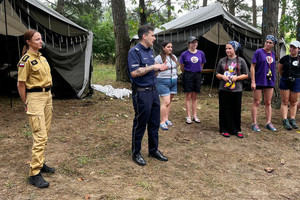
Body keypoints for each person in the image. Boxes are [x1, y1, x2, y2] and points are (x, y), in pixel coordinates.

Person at [17, 29, 55, 188]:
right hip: (35, 99)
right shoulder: (25, 60)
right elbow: (21, 84)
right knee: (39, 135)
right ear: (29, 42)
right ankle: (34, 173)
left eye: (41, 39)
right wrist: (27, 103)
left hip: (47, 97)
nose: (41, 41)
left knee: (45, 133)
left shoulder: (43, 59)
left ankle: (40, 162)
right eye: (37, 39)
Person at [127, 25, 168, 166]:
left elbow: (150, 71)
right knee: (140, 123)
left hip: (153, 90)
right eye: (153, 35)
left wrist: (159, 69)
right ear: (145, 36)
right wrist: (153, 67)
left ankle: (153, 150)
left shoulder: (150, 51)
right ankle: (136, 153)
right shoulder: (134, 52)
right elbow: (134, 73)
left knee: (154, 123)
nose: (154, 38)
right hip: (141, 93)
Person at [216, 41, 249, 138]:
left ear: (235, 49)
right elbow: (217, 73)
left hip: (236, 89)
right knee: (224, 109)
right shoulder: (222, 60)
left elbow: (246, 74)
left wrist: (237, 78)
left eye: (230, 48)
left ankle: (236, 129)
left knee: (236, 109)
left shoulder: (241, 61)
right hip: (224, 89)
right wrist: (222, 77)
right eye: (226, 48)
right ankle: (224, 129)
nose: (227, 50)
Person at [250, 35, 278, 132]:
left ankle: (268, 122)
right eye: (267, 42)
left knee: (268, 102)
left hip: (269, 81)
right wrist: (253, 81)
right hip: (259, 80)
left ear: (273, 44)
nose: (268, 44)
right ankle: (254, 123)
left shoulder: (274, 55)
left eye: (270, 43)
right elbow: (252, 66)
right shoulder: (258, 52)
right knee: (257, 102)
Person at [180, 36, 206, 124]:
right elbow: (182, 67)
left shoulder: (201, 53)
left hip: (197, 75)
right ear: (188, 44)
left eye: (195, 42)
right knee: (188, 96)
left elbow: (202, 64)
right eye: (192, 42)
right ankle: (188, 116)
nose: (194, 44)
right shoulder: (184, 54)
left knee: (195, 96)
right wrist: (188, 73)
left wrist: (198, 70)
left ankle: (195, 115)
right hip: (188, 74)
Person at [154, 41, 179, 130]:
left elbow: (176, 67)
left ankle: (166, 118)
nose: (170, 49)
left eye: (171, 47)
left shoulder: (174, 57)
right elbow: (154, 70)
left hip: (173, 80)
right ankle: (162, 121)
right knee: (166, 102)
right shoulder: (158, 58)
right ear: (163, 48)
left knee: (170, 101)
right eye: (168, 47)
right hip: (163, 81)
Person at [278, 41, 300, 130]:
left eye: (294, 48)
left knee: (294, 102)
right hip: (285, 80)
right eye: (291, 47)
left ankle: (292, 118)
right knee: (285, 101)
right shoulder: (285, 58)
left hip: (297, 80)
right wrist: (285, 76)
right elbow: (280, 69)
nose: (292, 49)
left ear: (298, 49)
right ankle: (285, 119)